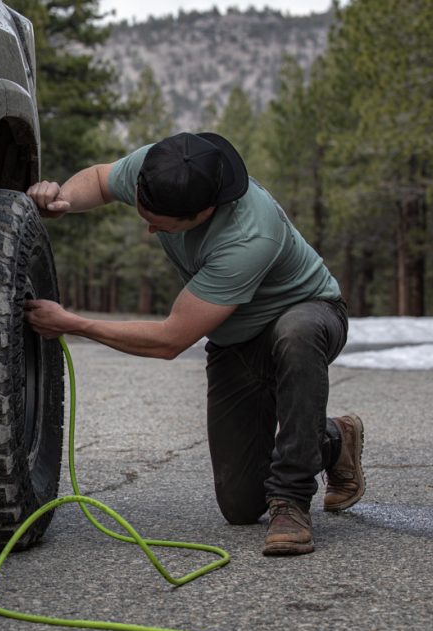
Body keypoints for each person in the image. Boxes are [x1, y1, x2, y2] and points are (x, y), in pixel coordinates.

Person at [24, 132, 364, 556]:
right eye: (145, 214)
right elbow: (98, 179)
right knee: (241, 505)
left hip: (310, 313)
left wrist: (73, 323)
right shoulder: (164, 168)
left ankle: (292, 502)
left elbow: (171, 339)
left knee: (296, 333)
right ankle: (333, 438)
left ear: (204, 212)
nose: (149, 229)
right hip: (236, 342)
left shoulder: (248, 236)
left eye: (161, 225)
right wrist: (61, 200)